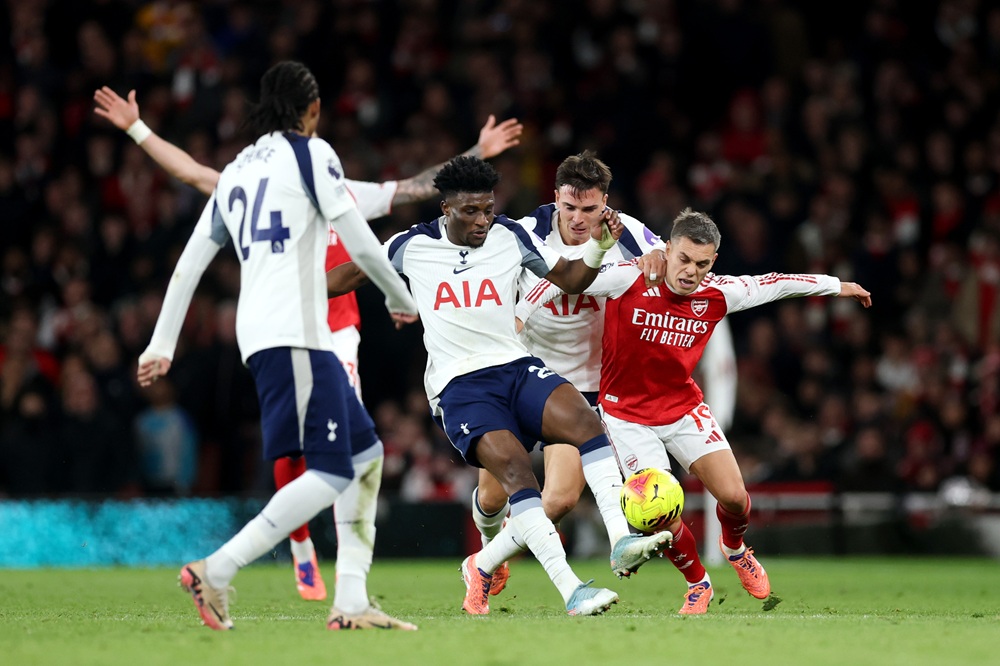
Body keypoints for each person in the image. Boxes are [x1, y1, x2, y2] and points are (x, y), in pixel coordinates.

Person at [94, 86, 522, 605]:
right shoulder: (274, 184)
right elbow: (191, 173)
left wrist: (477, 154)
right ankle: (285, 562)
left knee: (354, 455)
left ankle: (343, 590)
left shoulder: (336, 187)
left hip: (332, 333)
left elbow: (419, 186)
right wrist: (138, 130)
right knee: (331, 458)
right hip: (294, 331)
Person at [136, 61, 419, 631]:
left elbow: (191, 262)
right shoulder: (314, 155)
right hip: (298, 333)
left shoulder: (237, 171)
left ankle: (353, 601)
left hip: (265, 333)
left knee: (366, 456)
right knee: (335, 470)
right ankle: (216, 570)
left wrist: (161, 342)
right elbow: (360, 243)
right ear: (312, 110)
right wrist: (398, 295)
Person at [327, 156, 673, 616]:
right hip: (460, 386)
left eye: (488, 209)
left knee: (585, 423)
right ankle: (568, 587)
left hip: (516, 366)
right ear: (446, 208)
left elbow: (568, 277)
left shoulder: (510, 234)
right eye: (471, 211)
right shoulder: (411, 245)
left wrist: (597, 248)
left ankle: (619, 539)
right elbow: (348, 274)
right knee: (512, 480)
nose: (482, 220)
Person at [516, 208, 872, 614]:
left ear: (713, 262)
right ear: (666, 250)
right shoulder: (630, 276)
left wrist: (836, 286)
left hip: (684, 408)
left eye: (701, 264)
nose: (690, 271)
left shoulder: (717, 292)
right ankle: (697, 582)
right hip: (627, 417)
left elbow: (776, 284)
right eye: (683, 259)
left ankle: (735, 549)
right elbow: (566, 279)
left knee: (736, 498)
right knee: (659, 515)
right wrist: (518, 317)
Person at [468, 150, 666, 596]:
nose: (578, 219)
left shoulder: (628, 232)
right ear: (555, 197)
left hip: (583, 385)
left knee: (558, 499)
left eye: (589, 209)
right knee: (493, 497)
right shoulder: (525, 232)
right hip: (520, 373)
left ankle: (483, 561)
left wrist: (658, 259)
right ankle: (488, 544)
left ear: (605, 203)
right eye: (569, 207)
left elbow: (667, 258)